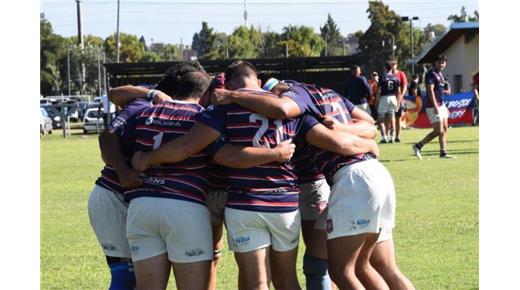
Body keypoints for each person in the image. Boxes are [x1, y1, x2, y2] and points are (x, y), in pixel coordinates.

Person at [131, 61, 378, 290]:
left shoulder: (224, 109)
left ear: (227, 84)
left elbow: (212, 153)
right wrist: (367, 145)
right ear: (258, 81)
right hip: (284, 205)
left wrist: (147, 158)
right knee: (287, 279)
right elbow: (336, 141)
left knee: (256, 282)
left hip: (244, 205)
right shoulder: (290, 109)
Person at [211, 77, 409, 289]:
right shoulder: (327, 93)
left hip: (351, 179)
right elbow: (369, 124)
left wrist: (232, 96)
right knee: (369, 266)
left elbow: (288, 113)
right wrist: (359, 138)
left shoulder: (301, 105)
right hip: (373, 174)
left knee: (342, 271)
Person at [122, 71, 298, 290]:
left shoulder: (144, 114)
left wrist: (137, 164)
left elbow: (118, 145)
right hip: (186, 204)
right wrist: (276, 153)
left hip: (142, 206)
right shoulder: (202, 116)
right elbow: (193, 148)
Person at [412, 54, 455, 159]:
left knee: (444, 129)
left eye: (443, 62)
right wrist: (436, 106)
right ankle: (418, 146)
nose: (441, 64)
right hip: (433, 106)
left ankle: (443, 153)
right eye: (439, 62)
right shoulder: (431, 74)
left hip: (441, 105)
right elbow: (430, 91)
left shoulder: (440, 74)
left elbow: (439, 92)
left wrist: (444, 106)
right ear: (435, 63)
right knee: (438, 131)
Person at [376, 62, 401, 143]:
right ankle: (392, 137)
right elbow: (398, 92)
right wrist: (398, 102)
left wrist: (377, 101)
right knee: (392, 117)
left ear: (385, 68)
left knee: (381, 118)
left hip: (384, 98)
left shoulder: (382, 77)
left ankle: (384, 137)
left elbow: (379, 90)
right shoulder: (396, 77)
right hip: (393, 98)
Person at [389, 59, 408, 143]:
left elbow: (405, 86)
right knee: (390, 118)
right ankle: (390, 136)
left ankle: (397, 136)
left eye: (394, 64)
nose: (393, 66)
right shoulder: (387, 75)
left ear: (396, 65)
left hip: (399, 99)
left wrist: (401, 96)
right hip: (389, 99)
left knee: (398, 118)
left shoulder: (401, 74)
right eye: (391, 65)